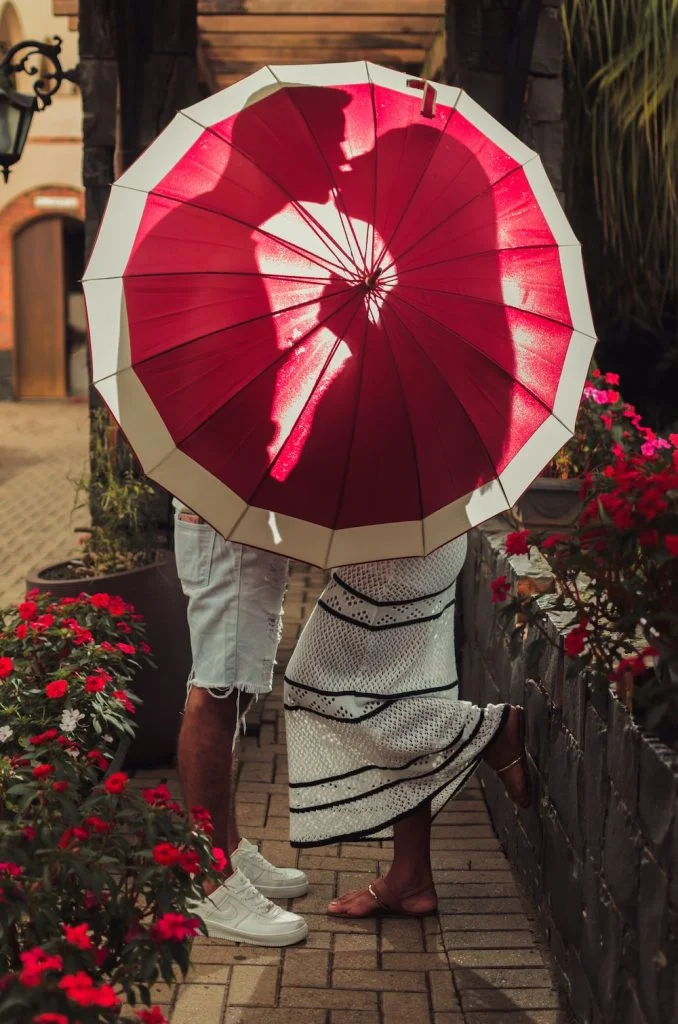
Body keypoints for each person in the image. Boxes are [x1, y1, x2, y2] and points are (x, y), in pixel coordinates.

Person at [284, 534, 530, 918]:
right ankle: (411, 879)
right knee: (405, 694)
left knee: (311, 681)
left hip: (394, 547)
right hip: (416, 540)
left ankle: (488, 731)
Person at [174, 508, 310, 946]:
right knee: (218, 692)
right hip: (228, 528)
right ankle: (211, 883)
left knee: (234, 691)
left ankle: (226, 851)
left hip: (245, 528)